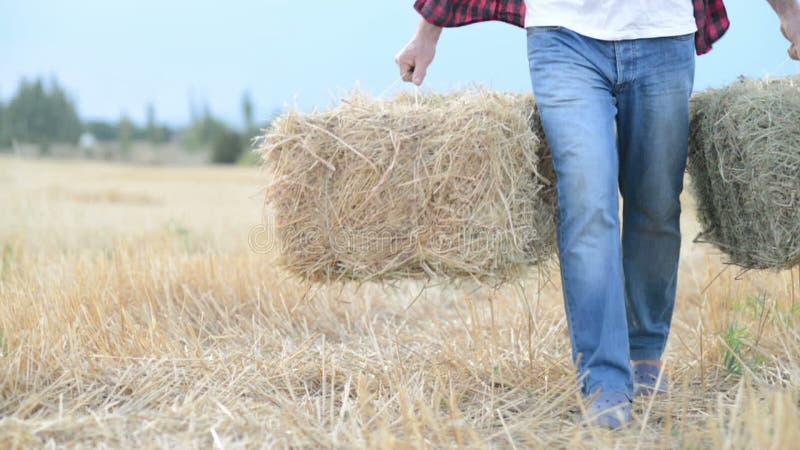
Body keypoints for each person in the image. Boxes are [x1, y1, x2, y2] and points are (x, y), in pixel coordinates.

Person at [396, 0, 800, 429]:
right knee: (588, 199)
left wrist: (788, 12)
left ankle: (644, 352)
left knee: (657, 205)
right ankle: (603, 379)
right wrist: (426, 34)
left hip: (662, 37)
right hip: (563, 38)